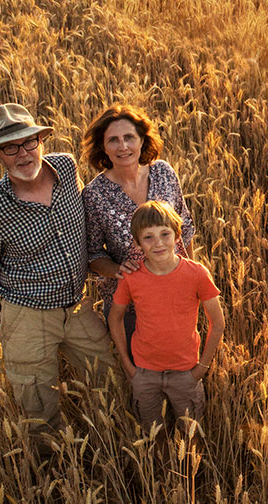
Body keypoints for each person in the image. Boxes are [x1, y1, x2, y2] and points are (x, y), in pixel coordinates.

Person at [0, 103, 117, 434]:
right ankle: (54, 476)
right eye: (10, 147)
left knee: (112, 381)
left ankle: (118, 454)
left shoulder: (66, 168)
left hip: (77, 306)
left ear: (41, 142)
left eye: (28, 142)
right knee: (39, 411)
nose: (22, 154)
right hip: (26, 317)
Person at [79, 105, 196, 359]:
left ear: (142, 140)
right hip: (131, 303)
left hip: (175, 292)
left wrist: (192, 278)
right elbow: (92, 254)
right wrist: (118, 271)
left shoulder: (163, 173)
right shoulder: (94, 194)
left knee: (182, 369)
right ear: (103, 147)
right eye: (113, 140)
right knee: (143, 378)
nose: (123, 147)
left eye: (129, 137)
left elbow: (184, 229)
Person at [107, 200, 225, 433]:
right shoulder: (133, 277)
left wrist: (202, 367)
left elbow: (218, 323)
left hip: (186, 372)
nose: (158, 243)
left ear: (177, 235)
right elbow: (115, 318)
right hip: (144, 373)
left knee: (191, 435)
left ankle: (188, 470)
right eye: (148, 237)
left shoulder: (196, 274)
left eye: (165, 234)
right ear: (137, 243)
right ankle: (160, 469)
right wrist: (128, 366)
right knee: (153, 435)